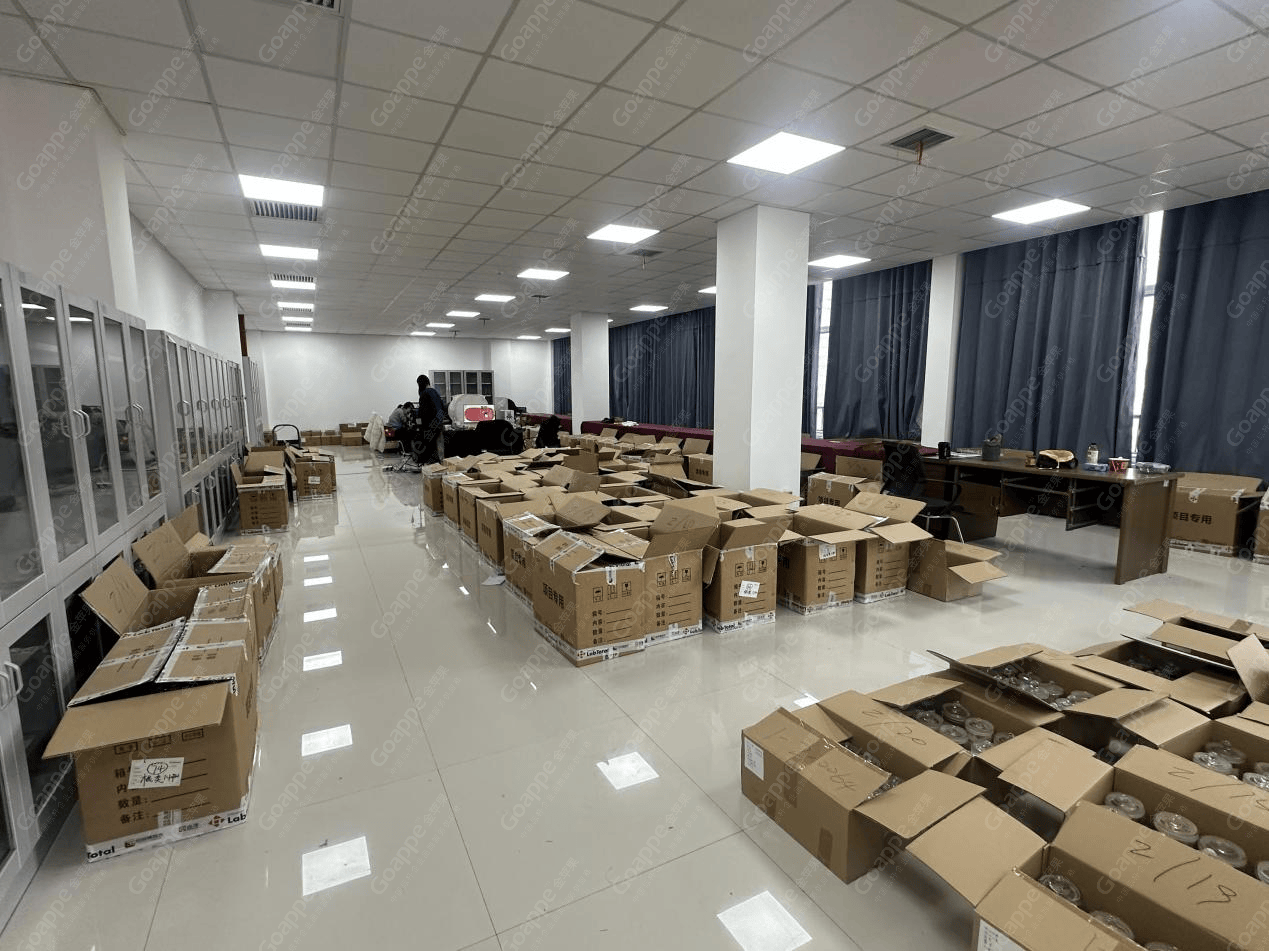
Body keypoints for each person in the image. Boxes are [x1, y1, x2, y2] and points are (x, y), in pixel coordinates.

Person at [415, 376, 449, 464]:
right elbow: (443, 408)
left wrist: (421, 426)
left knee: (430, 451)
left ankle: (432, 468)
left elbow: (423, 413)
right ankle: (441, 466)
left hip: (430, 426)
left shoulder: (424, 394)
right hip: (439, 425)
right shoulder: (435, 392)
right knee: (440, 451)